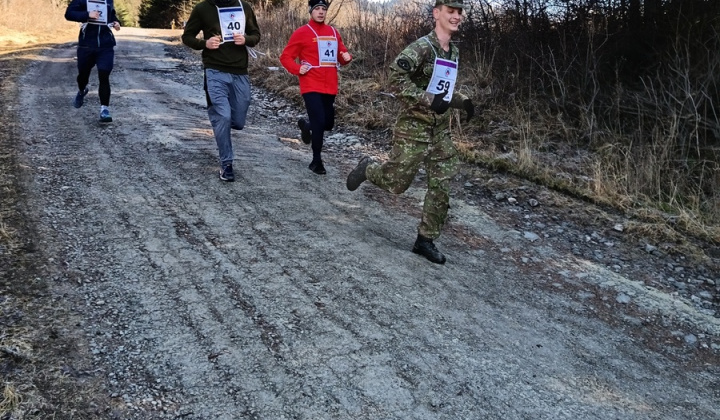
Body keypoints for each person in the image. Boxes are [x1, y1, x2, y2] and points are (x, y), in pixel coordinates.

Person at [346, 0, 475, 264]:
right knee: (396, 183)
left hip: (440, 131)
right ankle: (369, 168)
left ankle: (425, 240)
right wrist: (428, 99)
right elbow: (394, 79)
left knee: (441, 185)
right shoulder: (421, 47)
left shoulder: (452, 51)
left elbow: (443, 88)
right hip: (413, 129)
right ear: (436, 13)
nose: (456, 16)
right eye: (451, 11)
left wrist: (462, 101)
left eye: (460, 12)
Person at [182, 0, 261, 182]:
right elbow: (187, 37)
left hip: (240, 71)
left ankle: (221, 125)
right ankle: (227, 164)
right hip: (214, 69)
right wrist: (205, 43)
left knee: (238, 121)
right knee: (223, 116)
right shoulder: (203, 8)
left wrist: (246, 39)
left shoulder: (244, 7)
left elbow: (255, 34)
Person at [279, 0, 352, 175]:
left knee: (328, 123)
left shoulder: (333, 32)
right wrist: (297, 69)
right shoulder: (302, 32)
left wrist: (346, 57)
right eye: (317, 9)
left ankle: (306, 126)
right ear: (311, 11)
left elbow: (341, 56)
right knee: (320, 121)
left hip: (330, 84)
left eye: (324, 9)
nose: (321, 12)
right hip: (311, 83)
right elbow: (286, 57)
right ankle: (316, 161)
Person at [65, 0, 121, 123]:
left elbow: (111, 16)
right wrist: (87, 15)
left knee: (104, 74)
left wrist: (116, 23)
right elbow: (69, 14)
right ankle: (82, 90)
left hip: (106, 45)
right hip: (86, 46)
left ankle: (104, 110)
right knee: (83, 76)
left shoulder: (108, 0)